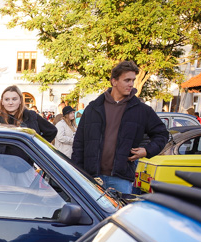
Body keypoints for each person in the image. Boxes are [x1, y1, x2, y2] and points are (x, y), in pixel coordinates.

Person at [72, 61, 169, 196]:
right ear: (114, 81)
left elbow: (162, 134)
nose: (131, 84)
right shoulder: (93, 108)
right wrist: (77, 173)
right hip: (91, 177)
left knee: (119, 216)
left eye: (133, 80)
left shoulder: (141, 110)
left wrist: (147, 151)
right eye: (127, 80)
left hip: (121, 178)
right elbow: (79, 144)